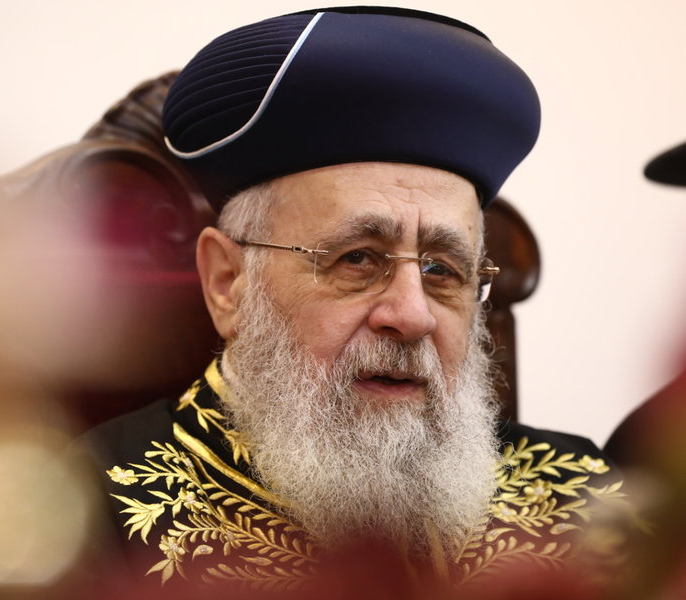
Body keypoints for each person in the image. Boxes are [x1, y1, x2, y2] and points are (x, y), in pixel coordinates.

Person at [78, 7, 634, 594]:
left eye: (442, 270)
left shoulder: (583, 495)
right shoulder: (87, 519)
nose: (412, 315)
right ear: (229, 282)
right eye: (358, 259)